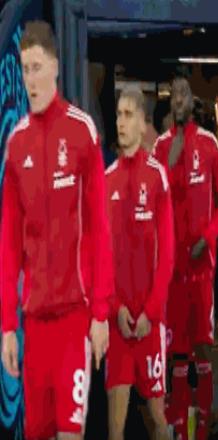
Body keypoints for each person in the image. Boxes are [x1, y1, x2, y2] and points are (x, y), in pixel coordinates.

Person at [0, 21, 112, 440]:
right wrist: (7, 326)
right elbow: (9, 242)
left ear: (55, 68)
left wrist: (100, 312)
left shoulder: (82, 132)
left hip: (73, 320)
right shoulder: (16, 144)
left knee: (70, 433)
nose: (30, 80)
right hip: (33, 324)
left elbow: (100, 229)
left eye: (37, 68)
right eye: (24, 69)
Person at [153, 77, 218, 440]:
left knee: (201, 350)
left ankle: (201, 426)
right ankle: (178, 428)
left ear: (192, 101)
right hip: (171, 274)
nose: (179, 100)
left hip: (202, 271)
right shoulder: (160, 147)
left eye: (184, 94)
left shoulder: (209, 143)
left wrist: (209, 236)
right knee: (176, 354)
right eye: (174, 95)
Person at [104, 86, 175, 440]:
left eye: (128, 115)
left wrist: (151, 311)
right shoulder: (106, 181)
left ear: (143, 122)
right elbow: (100, 257)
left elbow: (168, 253)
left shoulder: (157, 176)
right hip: (117, 326)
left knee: (158, 419)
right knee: (115, 427)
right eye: (118, 114)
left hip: (150, 324)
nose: (121, 122)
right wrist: (115, 308)